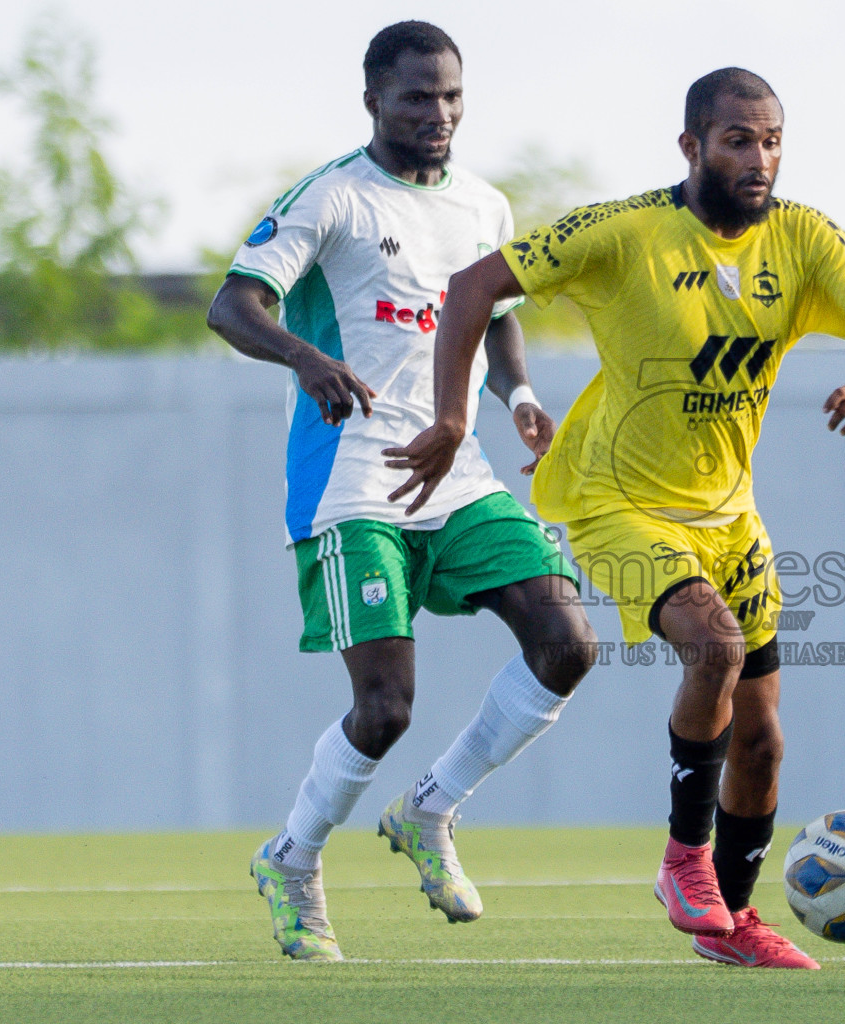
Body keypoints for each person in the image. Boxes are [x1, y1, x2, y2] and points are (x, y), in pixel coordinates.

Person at [386, 67, 845, 969]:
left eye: (773, 140)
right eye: (739, 140)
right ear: (691, 145)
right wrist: (452, 415)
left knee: (763, 740)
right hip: (612, 497)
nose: (760, 159)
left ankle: (734, 925)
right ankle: (684, 865)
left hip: (729, 516)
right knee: (710, 645)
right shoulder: (624, 231)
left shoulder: (807, 237)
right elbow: (474, 286)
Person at [206, 21, 597, 962]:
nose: (439, 113)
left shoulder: (485, 206)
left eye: (452, 96)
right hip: (355, 482)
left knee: (569, 641)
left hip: (457, 478)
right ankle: (293, 860)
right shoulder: (332, 197)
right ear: (374, 98)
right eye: (417, 96)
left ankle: (431, 810)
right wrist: (308, 359)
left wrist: (524, 395)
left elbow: (493, 319)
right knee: (386, 708)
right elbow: (233, 304)